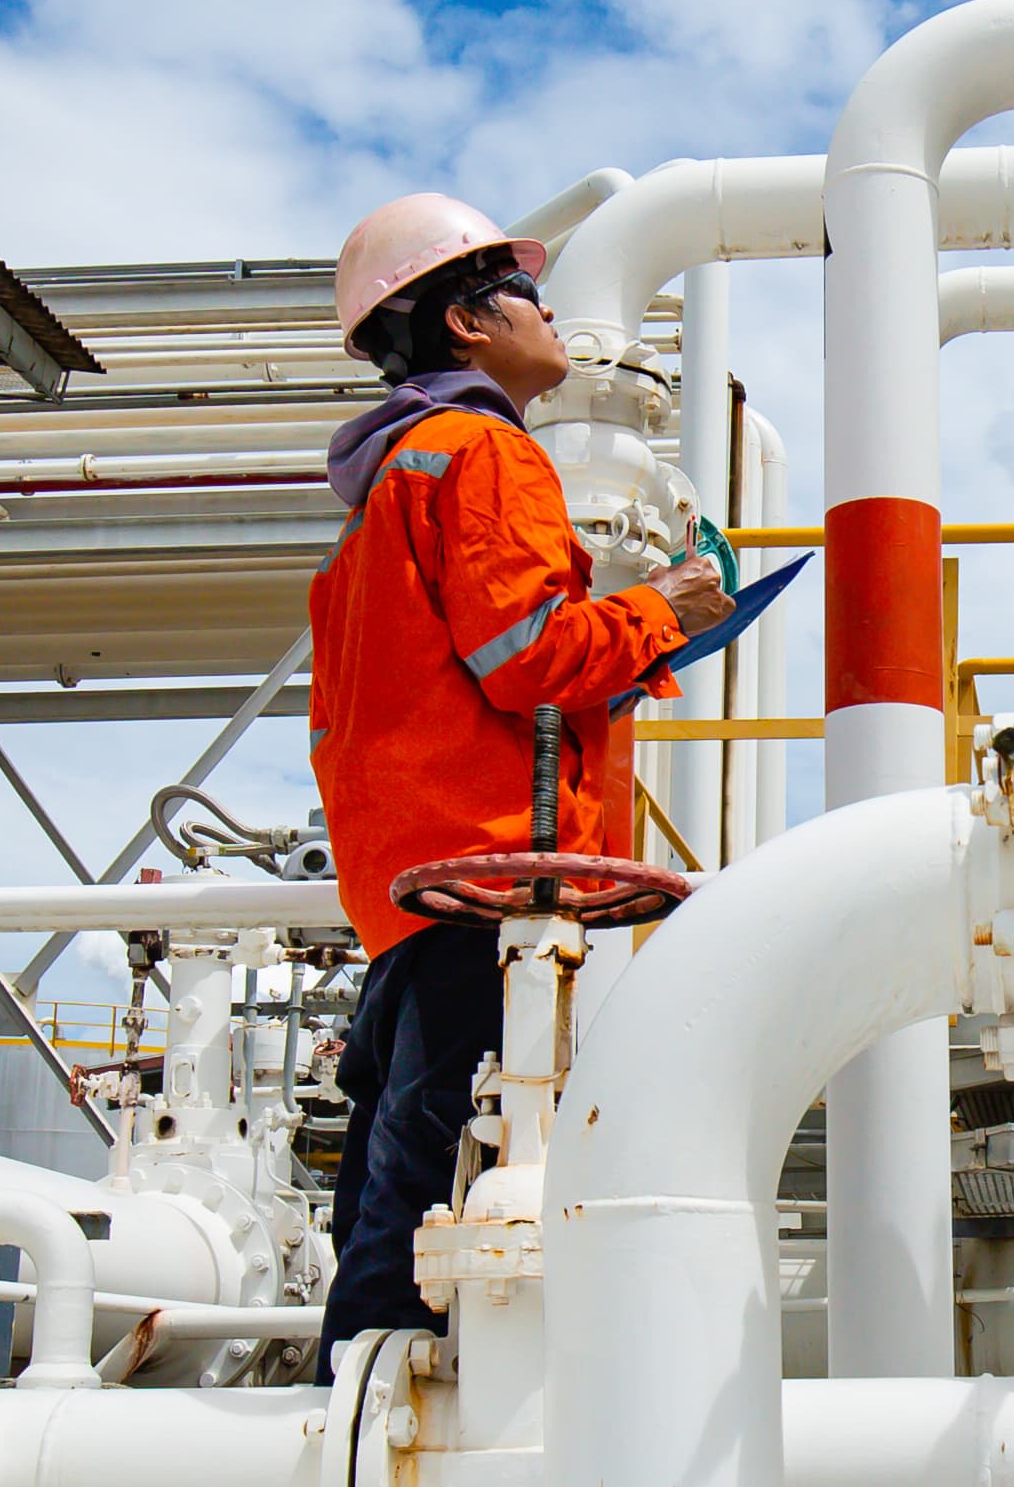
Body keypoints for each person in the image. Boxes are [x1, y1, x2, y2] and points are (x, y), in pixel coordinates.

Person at [305, 193, 731, 1367]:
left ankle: (346, 1450)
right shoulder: (487, 454)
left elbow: (456, 676)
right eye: (530, 295)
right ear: (470, 320)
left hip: (409, 896)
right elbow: (529, 661)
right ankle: (387, 1458)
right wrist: (661, 610)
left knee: (399, 1186)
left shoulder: (388, 490)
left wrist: (629, 642)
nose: (553, 316)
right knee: (446, 1190)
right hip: (494, 888)